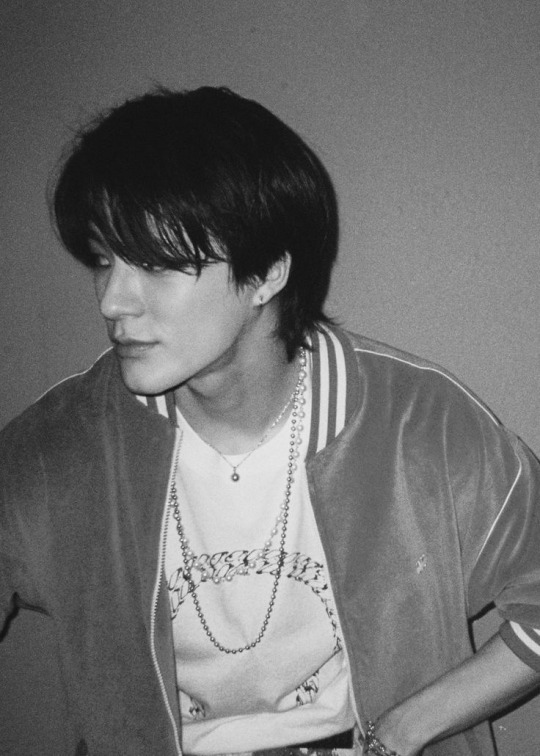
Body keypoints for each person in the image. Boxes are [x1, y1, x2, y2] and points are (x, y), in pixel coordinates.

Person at [1, 86, 540, 756]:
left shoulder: (415, 425)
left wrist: (408, 730)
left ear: (268, 273)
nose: (113, 300)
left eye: (157, 265)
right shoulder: (65, 446)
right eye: (105, 260)